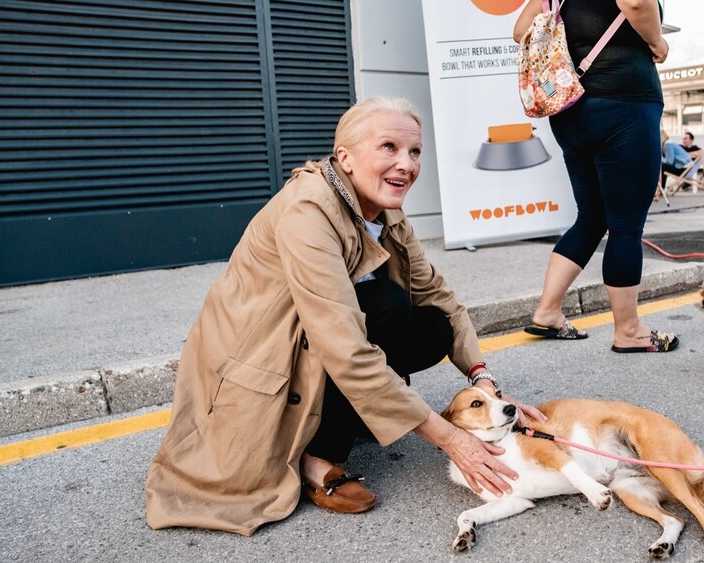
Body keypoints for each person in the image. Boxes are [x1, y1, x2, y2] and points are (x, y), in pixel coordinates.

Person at [144, 97, 546, 535]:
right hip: (261, 355)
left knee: (433, 327)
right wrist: (453, 441)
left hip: (318, 340)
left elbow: (439, 295)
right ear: (345, 159)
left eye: (414, 152)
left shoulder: (385, 208)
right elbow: (345, 347)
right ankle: (318, 456)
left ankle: (349, 418)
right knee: (387, 304)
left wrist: (483, 383)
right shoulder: (308, 210)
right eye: (388, 147)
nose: (406, 165)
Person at [512, 0, 679, 353]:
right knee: (625, 226)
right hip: (623, 103)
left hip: (572, 110)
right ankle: (630, 331)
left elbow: (520, 31)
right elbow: (636, 2)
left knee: (591, 218)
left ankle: (548, 311)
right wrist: (658, 41)